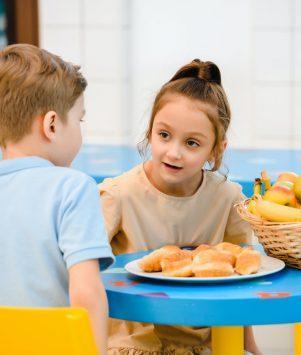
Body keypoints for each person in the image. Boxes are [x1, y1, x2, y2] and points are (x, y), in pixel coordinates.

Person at [99, 59, 262, 355]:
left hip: (204, 345)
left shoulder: (228, 200)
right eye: (164, 135)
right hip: (133, 345)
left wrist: (247, 345)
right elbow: (81, 271)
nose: (173, 152)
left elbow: (241, 282)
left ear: (216, 149)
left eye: (191, 143)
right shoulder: (118, 195)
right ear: (150, 132)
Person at [0, 44, 115, 355]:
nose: (79, 131)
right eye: (79, 121)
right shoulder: (72, 188)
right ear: (51, 125)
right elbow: (86, 292)